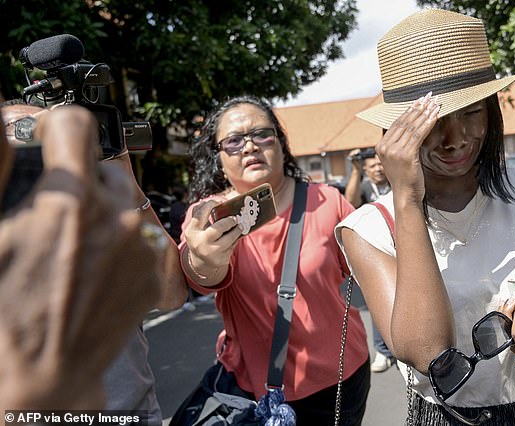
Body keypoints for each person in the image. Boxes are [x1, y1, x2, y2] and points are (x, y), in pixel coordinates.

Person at [335, 9, 515, 425]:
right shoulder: (370, 228)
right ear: (396, 129)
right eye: (431, 123)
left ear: (492, 111)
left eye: (470, 112)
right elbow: (427, 353)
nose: (455, 138)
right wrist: (407, 199)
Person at [178, 96, 370, 425]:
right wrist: (204, 262)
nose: (250, 146)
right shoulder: (206, 217)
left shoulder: (327, 201)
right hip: (252, 388)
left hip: (339, 379)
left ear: (281, 146)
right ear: (220, 160)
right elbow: (198, 275)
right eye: (234, 141)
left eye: (262, 134)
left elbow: (374, 264)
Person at [1, 101, 188, 424]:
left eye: (38, 130)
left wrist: (127, 182)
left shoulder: (100, 229)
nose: (30, 141)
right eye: (18, 130)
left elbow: (171, 294)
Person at [344, 147, 396, 373]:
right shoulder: (365, 187)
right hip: (376, 251)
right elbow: (350, 202)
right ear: (366, 169)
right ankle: (383, 351)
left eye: (380, 164)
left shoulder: (396, 181)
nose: (377, 168)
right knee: (380, 301)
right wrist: (355, 172)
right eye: (372, 165)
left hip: (401, 247)